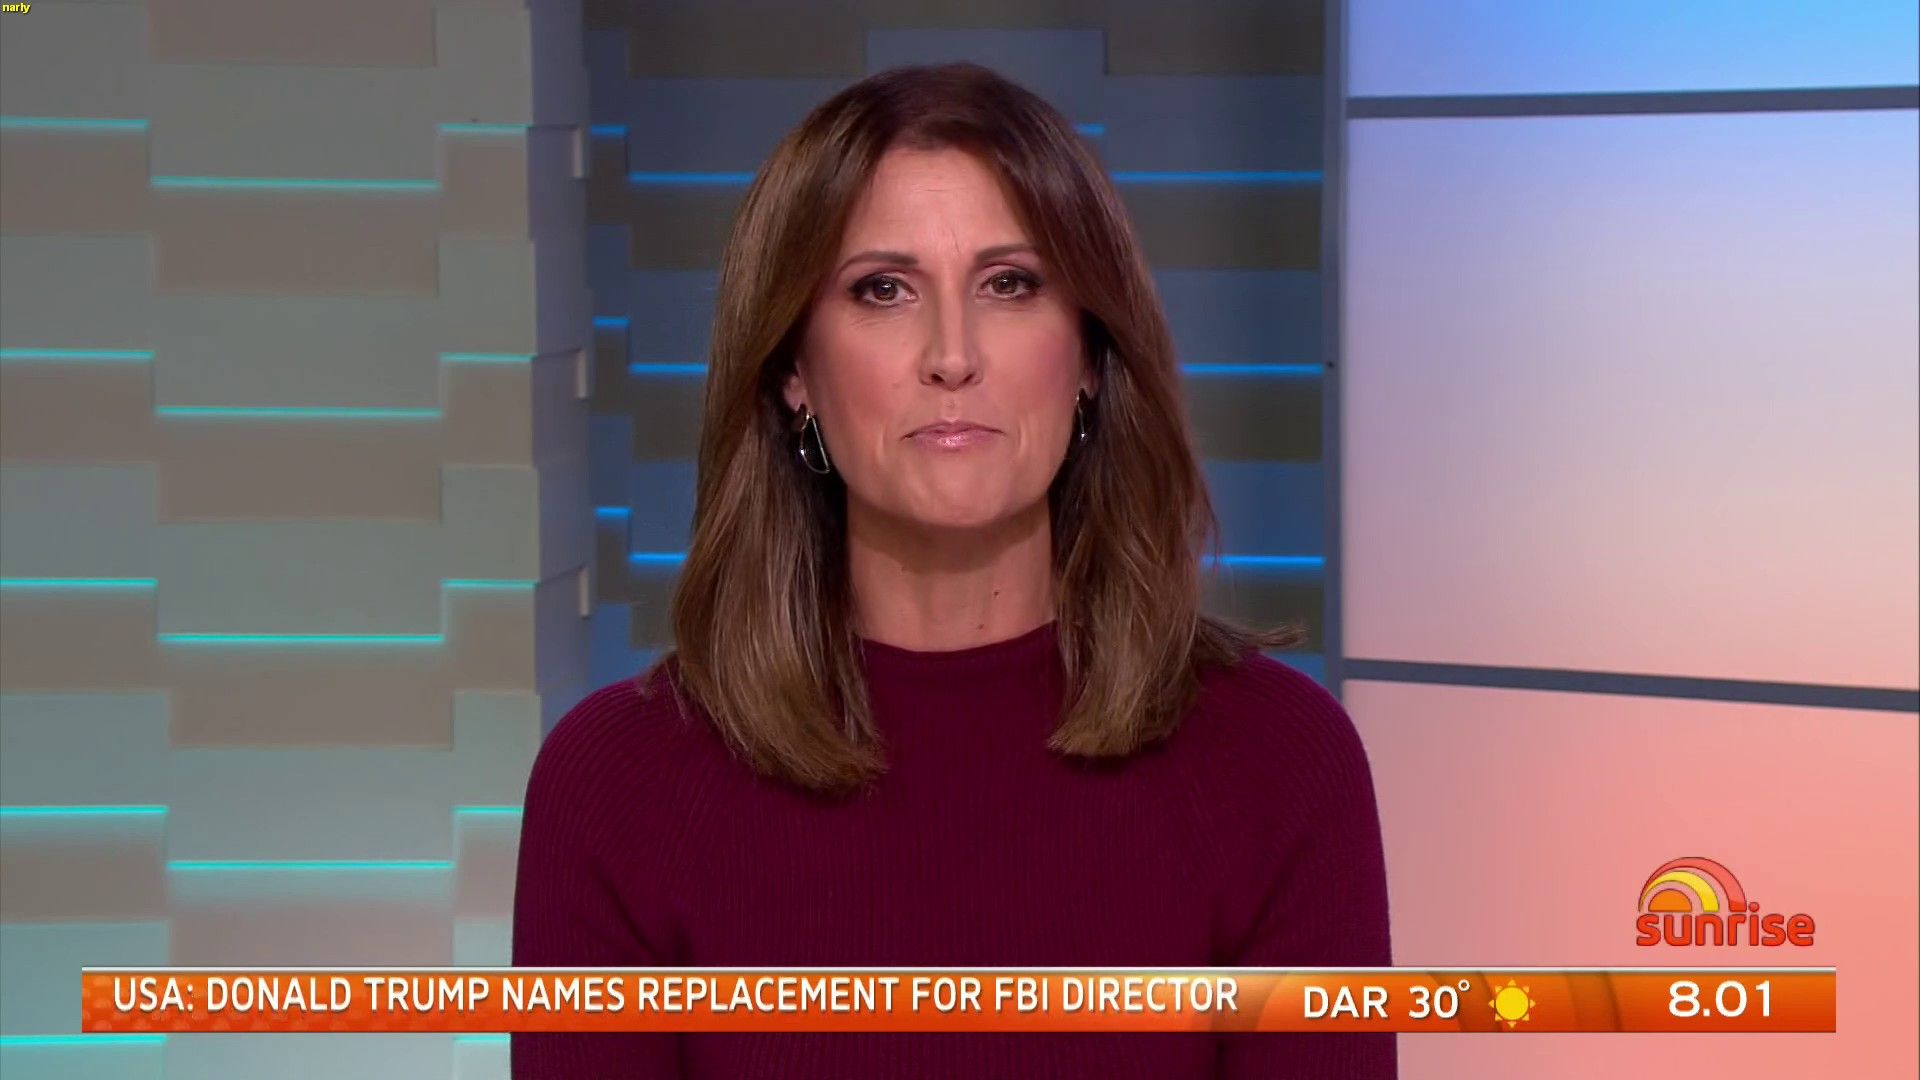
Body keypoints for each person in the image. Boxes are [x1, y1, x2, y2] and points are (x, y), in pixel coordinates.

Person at [512, 62, 1395, 1078]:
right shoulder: (616, 787)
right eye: (883, 290)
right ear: (794, 369)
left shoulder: (1276, 765)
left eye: (1010, 284)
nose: (952, 355)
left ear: (1090, 356)